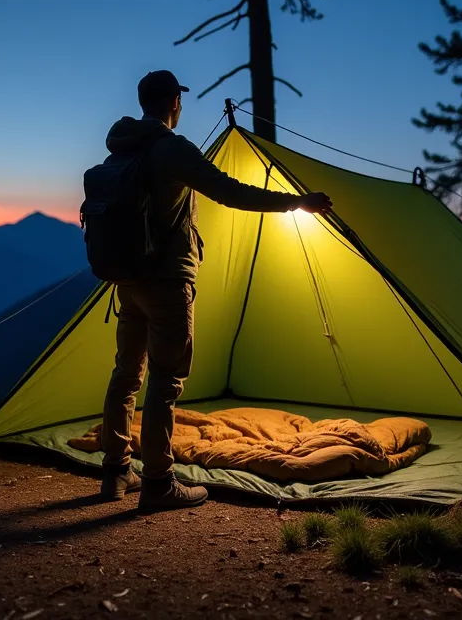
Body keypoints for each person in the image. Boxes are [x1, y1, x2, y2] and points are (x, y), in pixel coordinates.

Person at [100, 70, 333, 512]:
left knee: (126, 375)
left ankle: (115, 473)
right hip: (168, 281)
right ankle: (158, 483)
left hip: (127, 281)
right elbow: (229, 191)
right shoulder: (172, 148)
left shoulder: (122, 147)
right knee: (165, 380)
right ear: (174, 102)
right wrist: (295, 202)